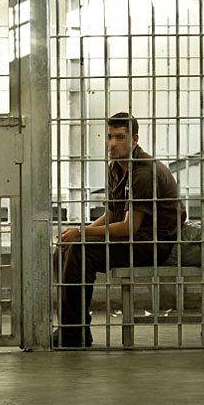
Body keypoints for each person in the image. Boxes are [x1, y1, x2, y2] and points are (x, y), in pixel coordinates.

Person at [55, 112, 186, 347]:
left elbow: (129, 227)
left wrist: (82, 234)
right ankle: (74, 326)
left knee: (81, 251)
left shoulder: (143, 172)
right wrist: (78, 233)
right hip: (134, 239)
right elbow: (113, 214)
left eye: (120, 137)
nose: (112, 144)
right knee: (64, 250)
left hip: (153, 244)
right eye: (109, 137)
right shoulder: (116, 167)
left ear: (134, 140)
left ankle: (73, 334)